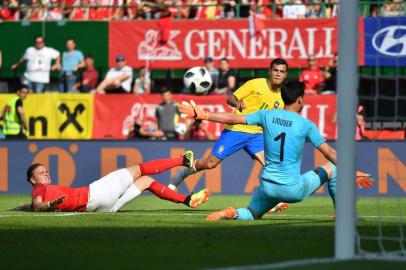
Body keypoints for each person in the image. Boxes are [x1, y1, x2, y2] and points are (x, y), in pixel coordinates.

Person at [178, 81, 374, 221]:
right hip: (292, 189)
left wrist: (204, 115)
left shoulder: (266, 115)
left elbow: (235, 119)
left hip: (268, 186)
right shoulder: (306, 124)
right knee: (333, 167)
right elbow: (328, 152)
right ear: (299, 100)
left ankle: (233, 213)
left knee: (253, 214)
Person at [169, 58, 288, 190]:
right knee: (210, 163)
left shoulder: (283, 97)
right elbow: (230, 98)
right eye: (275, 70)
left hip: (257, 135)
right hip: (236, 129)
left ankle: (272, 198)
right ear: (269, 71)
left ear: (285, 75)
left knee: (271, 165)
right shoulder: (255, 84)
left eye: (282, 71)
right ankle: (183, 173)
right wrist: (237, 103)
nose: (278, 74)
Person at [11, 151, 211, 212]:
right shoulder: (39, 189)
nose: (46, 175)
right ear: (32, 179)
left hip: (102, 208)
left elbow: (34, 205)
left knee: (146, 181)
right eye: (41, 173)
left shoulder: (39, 192)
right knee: (139, 169)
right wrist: (49, 205)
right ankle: (182, 160)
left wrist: (18, 209)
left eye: (46, 171)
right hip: (95, 194)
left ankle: (187, 200)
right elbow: (38, 206)